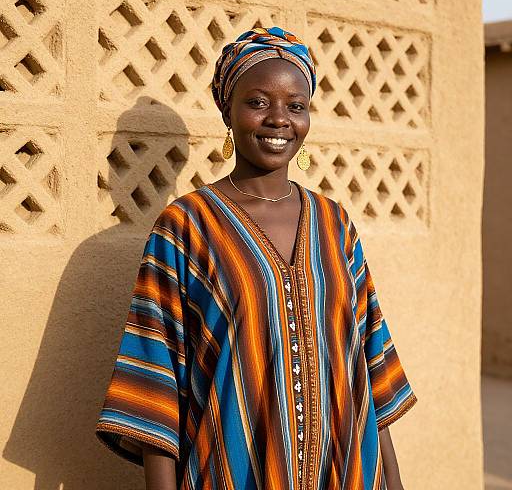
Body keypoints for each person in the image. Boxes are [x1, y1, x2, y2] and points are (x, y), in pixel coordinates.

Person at [95, 26, 417, 490]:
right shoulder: (187, 226)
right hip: (233, 472)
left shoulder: (334, 223)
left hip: (345, 473)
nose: (279, 119)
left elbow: (366, 362)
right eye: (258, 102)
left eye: (296, 105)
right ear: (228, 111)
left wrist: (392, 477)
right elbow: (154, 379)